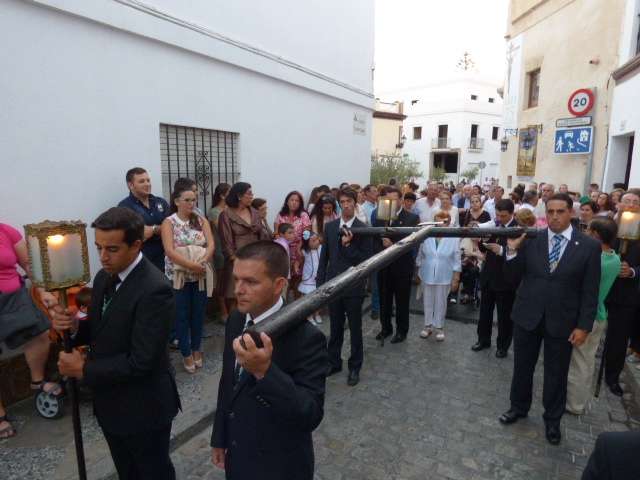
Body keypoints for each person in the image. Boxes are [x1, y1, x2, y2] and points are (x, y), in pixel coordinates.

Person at [50, 207, 180, 479]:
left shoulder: (155, 289)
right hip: (111, 402)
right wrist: (75, 327)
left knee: (152, 472)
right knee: (127, 471)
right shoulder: (103, 277)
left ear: (136, 245)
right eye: (98, 248)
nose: (103, 257)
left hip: (143, 407)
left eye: (112, 249)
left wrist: (83, 370)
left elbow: (142, 361)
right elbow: (102, 327)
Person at [211, 241, 327, 480]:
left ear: (279, 285)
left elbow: (310, 413)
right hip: (238, 456)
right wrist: (220, 436)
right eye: (236, 279)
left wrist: (264, 372)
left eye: (250, 282)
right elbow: (228, 382)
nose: (238, 289)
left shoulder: (306, 337)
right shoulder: (236, 319)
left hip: (279, 465)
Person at [499, 193, 600, 446]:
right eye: (550, 211)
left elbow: (590, 291)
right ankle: (518, 407)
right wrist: (511, 250)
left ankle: (553, 420)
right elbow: (512, 278)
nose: (555, 216)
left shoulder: (588, 246)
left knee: (556, 373)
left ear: (571, 213)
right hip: (527, 316)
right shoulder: (532, 239)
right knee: (522, 366)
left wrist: (584, 326)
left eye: (560, 211)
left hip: (563, 321)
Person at [0, 222, 59, 439]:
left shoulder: (5, 231)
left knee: (41, 334)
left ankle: (37, 381)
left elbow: (28, 264)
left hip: (13, 298)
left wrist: (43, 291)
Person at [318, 189, 373, 386]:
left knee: (355, 328)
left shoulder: (363, 229)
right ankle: (334, 362)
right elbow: (324, 257)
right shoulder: (331, 227)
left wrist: (348, 246)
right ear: (339, 204)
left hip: (354, 286)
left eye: (349, 201)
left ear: (355, 203)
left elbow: (365, 260)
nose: (346, 205)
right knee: (335, 327)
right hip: (333, 285)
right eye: (342, 201)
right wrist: (320, 285)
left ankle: (355, 367)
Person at [566, 217, 621, 414]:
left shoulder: (596, 259)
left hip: (588, 315)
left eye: (588, 230)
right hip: (600, 315)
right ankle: (580, 398)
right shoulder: (615, 258)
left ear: (596, 235)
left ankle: (574, 404)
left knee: (580, 362)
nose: (585, 233)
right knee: (587, 360)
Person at [161, 183, 215, 373]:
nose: (192, 203)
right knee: (181, 315)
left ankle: (197, 348)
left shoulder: (201, 220)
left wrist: (203, 261)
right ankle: (186, 352)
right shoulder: (169, 222)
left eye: (194, 200)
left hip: (199, 274)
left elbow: (211, 245)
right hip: (179, 276)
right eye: (187, 200)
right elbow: (169, 250)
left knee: (198, 313)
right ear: (177, 201)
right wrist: (191, 266)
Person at [603, 191, 640, 396]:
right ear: (619, 205)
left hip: (627, 294)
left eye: (636, 202)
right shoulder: (608, 227)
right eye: (627, 201)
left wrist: (632, 271)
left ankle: (612, 377)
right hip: (603, 288)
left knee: (618, 339)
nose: (631, 205)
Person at [371, 187, 419, 344]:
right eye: (388, 199)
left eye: (394, 199)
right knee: (384, 299)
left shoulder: (412, 218)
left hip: (402, 267)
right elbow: (374, 240)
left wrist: (393, 245)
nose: (390, 202)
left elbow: (411, 243)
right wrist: (381, 244)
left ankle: (401, 331)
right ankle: (386, 328)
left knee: (401, 301)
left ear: (400, 200)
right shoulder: (380, 217)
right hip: (384, 266)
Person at [471, 199, 518, 358]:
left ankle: (503, 346)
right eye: (497, 215)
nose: (499, 218)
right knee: (485, 312)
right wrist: (483, 241)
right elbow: (485, 249)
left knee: (504, 316)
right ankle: (483, 340)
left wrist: (502, 250)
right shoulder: (495, 224)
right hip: (489, 276)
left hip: (505, 280)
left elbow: (518, 255)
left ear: (512, 214)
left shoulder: (517, 229)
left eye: (503, 216)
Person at [218, 182, 271, 314]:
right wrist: (236, 259)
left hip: (256, 260)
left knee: (254, 296)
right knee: (236, 299)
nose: (252, 196)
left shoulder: (254, 212)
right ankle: (234, 325)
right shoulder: (226, 215)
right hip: (236, 261)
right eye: (249, 193)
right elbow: (226, 242)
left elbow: (262, 235)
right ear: (239, 196)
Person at [417, 211, 461, 341]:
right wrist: (417, 271)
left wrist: (456, 278)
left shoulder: (453, 238)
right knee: (427, 300)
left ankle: (439, 327)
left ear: (449, 223)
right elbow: (420, 255)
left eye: (444, 222)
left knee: (441, 302)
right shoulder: (426, 235)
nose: (441, 224)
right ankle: (427, 326)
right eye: (438, 222)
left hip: (444, 274)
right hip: (427, 273)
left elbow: (457, 259)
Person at [118, 167, 170, 272]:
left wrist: (154, 229)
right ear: (131, 185)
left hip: (167, 260)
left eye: (148, 180)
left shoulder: (161, 202)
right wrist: (161, 229)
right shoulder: (125, 207)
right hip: (143, 263)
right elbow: (131, 235)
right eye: (142, 181)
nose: (147, 184)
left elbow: (172, 227)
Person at [274, 191, 312, 296]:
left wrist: (299, 248)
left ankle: (297, 302)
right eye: (292, 200)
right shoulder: (281, 215)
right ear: (287, 202)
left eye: (297, 201)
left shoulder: (303, 215)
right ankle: (284, 301)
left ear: (300, 203)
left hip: (299, 249)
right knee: (285, 279)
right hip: (284, 250)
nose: (294, 202)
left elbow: (307, 233)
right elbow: (276, 233)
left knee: (298, 279)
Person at [208, 183, 231, 319]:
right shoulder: (214, 211)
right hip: (220, 251)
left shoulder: (231, 209)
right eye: (229, 193)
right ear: (222, 195)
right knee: (221, 282)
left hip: (231, 250)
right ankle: (223, 311)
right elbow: (222, 228)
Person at [299, 231, 323, 325]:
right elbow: (299, 260)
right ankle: (309, 316)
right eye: (313, 241)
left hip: (319, 276)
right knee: (308, 297)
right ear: (307, 244)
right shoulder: (305, 251)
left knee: (319, 297)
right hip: (308, 277)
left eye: (317, 239)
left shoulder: (322, 248)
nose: (317, 241)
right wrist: (296, 266)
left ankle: (317, 314)